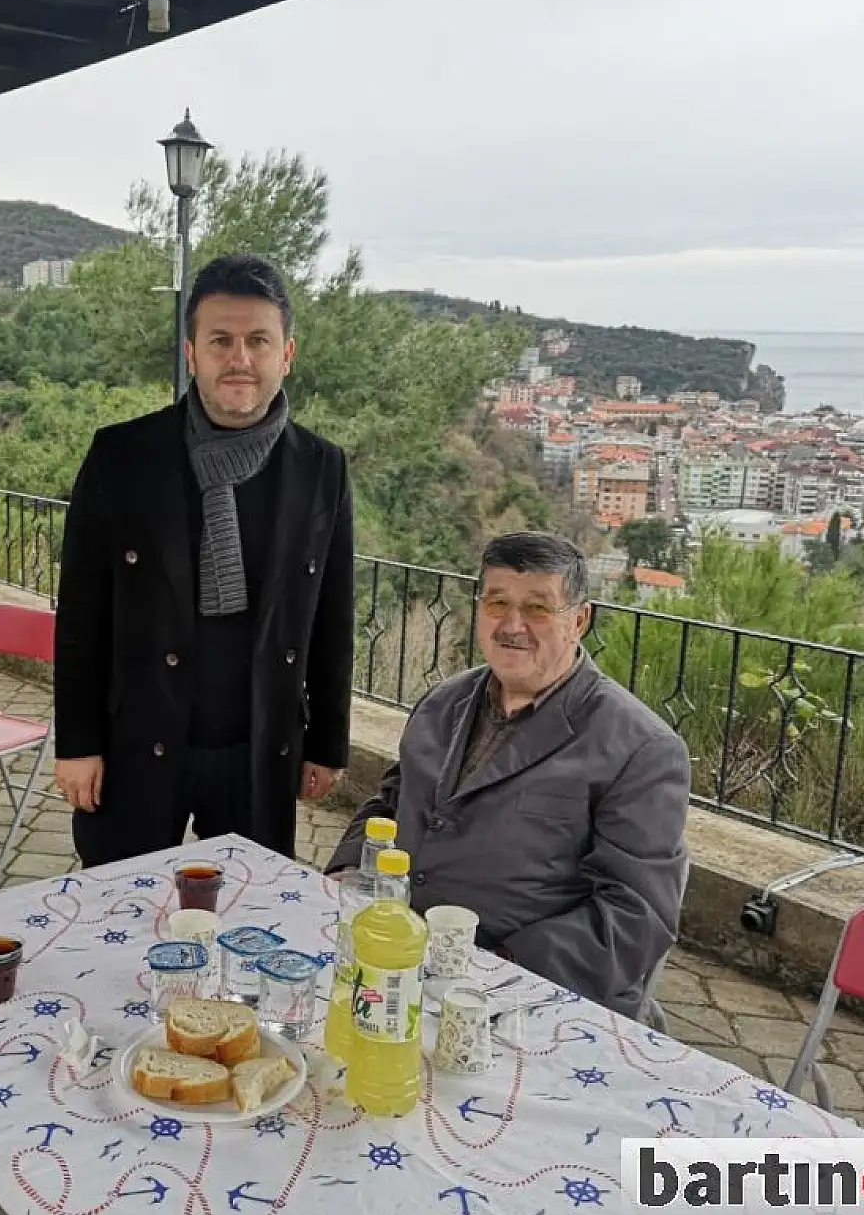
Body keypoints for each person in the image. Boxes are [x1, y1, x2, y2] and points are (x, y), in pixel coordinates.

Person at [53, 253, 355, 866]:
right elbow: (82, 613)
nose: (239, 358)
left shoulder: (322, 468)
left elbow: (332, 612)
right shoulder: (122, 456)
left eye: (257, 341)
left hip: (257, 748)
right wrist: (77, 743)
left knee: (248, 916)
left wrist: (327, 742)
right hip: (136, 738)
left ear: (286, 354)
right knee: (121, 907)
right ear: (192, 352)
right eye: (220, 340)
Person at [324, 532, 690, 1018]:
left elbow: (635, 917)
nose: (512, 624)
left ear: (580, 619)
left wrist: (500, 966)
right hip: (397, 964)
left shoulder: (641, 748)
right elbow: (391, 800)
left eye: (538, 608)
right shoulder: (443, 702)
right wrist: (347, 874)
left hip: (524, 997)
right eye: (497, 602)